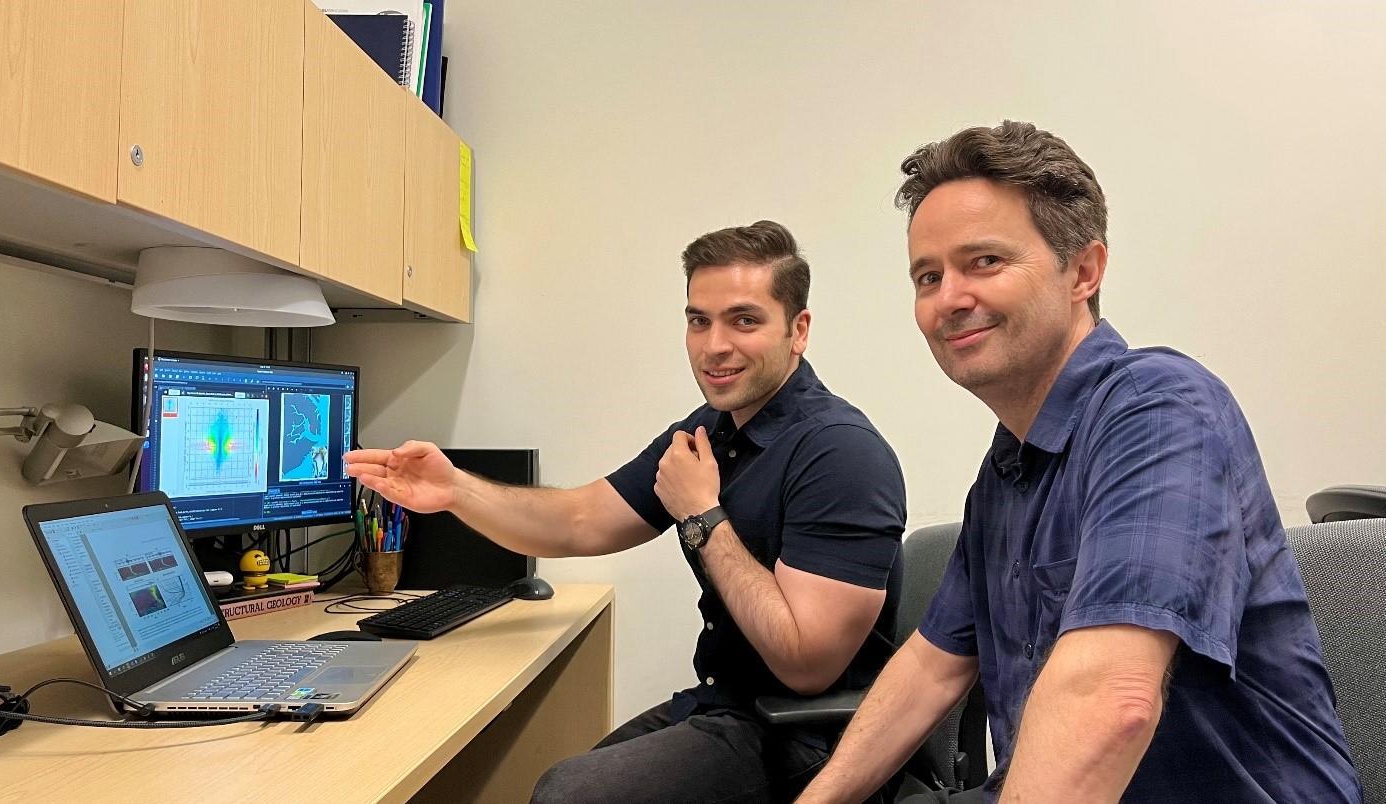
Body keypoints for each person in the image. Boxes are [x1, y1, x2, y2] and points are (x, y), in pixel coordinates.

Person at [796, 122, 1362, 803]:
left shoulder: (1160, 412)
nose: (949, 298)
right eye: (928, 276)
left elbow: (1112, 699)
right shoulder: (1005, 472)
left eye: (985, 262)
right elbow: (930, 668)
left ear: (1084, 272)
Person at [346, 220, 908, 803]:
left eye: (744, 320)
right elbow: (579, 521)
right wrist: (456, 490)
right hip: (730, 704)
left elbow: (807, 664)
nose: (714, 346)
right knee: (566, 778)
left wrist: (702, 515)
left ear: (798, 331)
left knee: (569, 795)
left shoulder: (841, 453)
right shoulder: (711, 432)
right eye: (699, 321)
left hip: (816, 740)